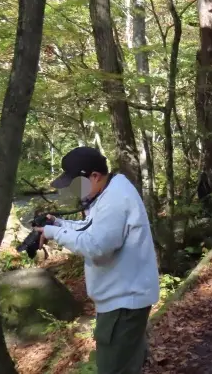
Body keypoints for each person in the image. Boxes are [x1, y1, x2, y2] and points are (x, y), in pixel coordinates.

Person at [34, 147, 159, 374]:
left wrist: (54, 234)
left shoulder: (115, 199)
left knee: (114, 368)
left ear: (94, 176)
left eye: (76, 184)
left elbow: (97, 246)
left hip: (124, 303)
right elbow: (92, 229)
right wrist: (59, 224)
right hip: (123, 298)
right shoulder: (110, 191)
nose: (74, 191)